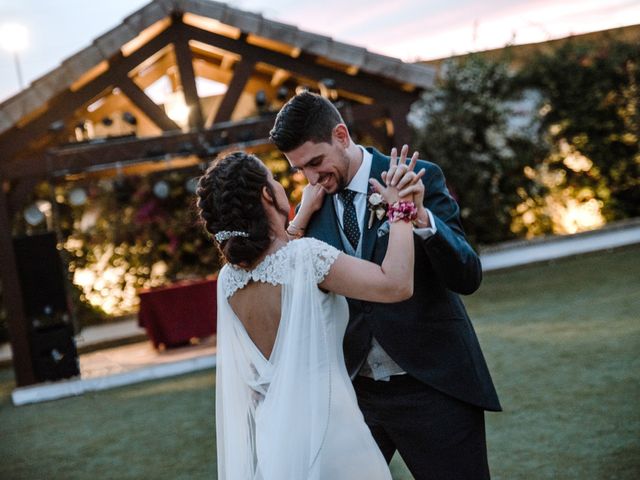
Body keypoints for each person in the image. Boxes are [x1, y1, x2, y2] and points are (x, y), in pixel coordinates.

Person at [269, 91, 502, 479]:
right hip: (355, 398)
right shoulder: (312, 206)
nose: (311, 178)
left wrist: (423, 218)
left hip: (433, 386)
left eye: (316, 162)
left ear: (341, 136)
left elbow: (467, 276)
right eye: (299, 170)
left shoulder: (417, 178)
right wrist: (299, 219)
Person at [196, 148, 422, 480]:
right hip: (333, 437)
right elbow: (396, 284)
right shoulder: (307, 258)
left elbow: (275, 261)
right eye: (273, 178)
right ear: (266, 194)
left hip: (276, 442)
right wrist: (401, 207)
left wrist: (300, 217)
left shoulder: (228, 281)